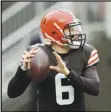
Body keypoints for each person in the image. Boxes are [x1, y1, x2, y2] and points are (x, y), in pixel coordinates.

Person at [7, 9, 100, 111]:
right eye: (70, 29)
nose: (76, 32)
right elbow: (12, 93)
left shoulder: (85, 52)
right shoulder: (37, 54)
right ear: (54, 33)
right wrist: (22, 70)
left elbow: (95, 88)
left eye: (75, 28)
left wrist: (69, 74)